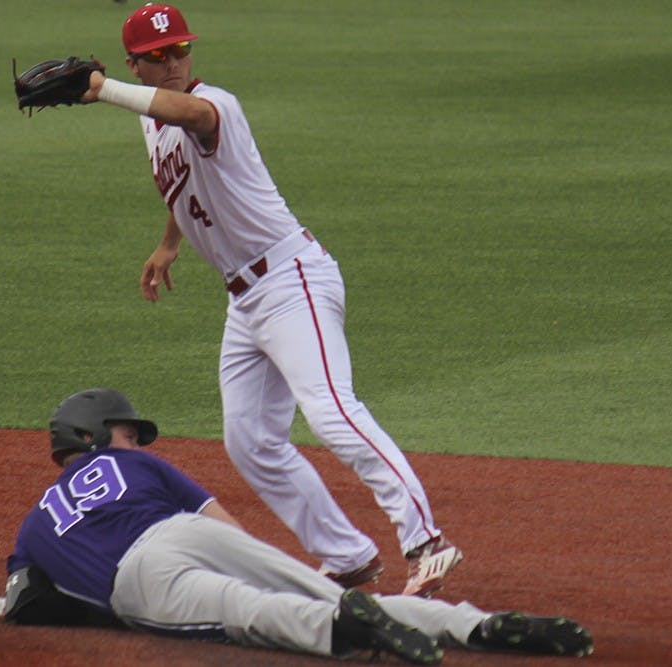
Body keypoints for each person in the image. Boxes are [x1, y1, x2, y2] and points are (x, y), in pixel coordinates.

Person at [76, 3, 460, 595]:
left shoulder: (213, 103)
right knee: (249, 438)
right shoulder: (151, 120)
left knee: (331, 409)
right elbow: (186, 182)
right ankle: (347, 555)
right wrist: (168, 243)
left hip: (291, 279)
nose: (174, 61)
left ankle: (425, 540)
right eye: (158, 56)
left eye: (180, 49)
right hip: (246, 301)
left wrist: (103, 90)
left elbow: (188, 113)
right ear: (137, 62)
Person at [0, 388, 594, 664]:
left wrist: (72, 588)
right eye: (125, 430)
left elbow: (23, 602)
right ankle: (475, 625)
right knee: (318, 591)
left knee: (245, 613)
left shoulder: (33, 527)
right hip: (189, 533)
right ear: (90, 435)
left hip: (142, 578)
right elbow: (225, 528)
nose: (133, 439)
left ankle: (341, 628)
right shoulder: (141, 464)